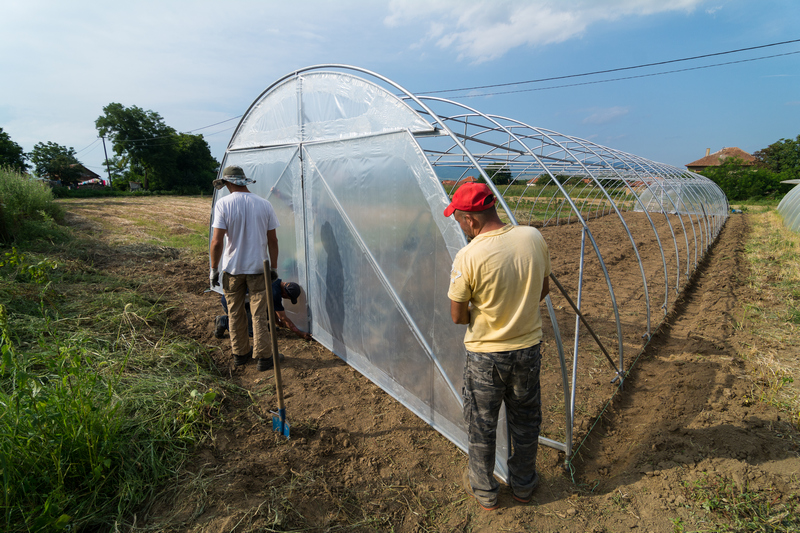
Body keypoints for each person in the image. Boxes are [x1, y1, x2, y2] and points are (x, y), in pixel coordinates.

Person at [444, 182, 551, 511]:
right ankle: (523, 485)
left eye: (460, 221)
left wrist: (488, 310)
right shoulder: (532, 237)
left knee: (481, 424)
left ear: (471, 221)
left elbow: (458, 316)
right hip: (528, 351)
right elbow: (542, 290)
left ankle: (486, 491)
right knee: (526, 420)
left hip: (486, 357)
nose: (461, 228)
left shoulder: (469, 255)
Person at [209, 165, 280, 371]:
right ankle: (264, 358)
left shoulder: (223, 205)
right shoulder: (264, 204)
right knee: (259, 313)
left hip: (232, 268)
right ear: (243, 181)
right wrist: (274, 266)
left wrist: (214, 269)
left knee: (235, 311)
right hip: (259, 267)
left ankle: (240, 354)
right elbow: (273, 240)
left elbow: (216, 241)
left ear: (229, 183)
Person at [214, 280, 311, 343]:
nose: (285, 298)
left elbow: (273, 310)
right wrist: (300, 333)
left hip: (247, 302)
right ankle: (223, 321)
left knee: (265, 313)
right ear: (285, 293)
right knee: (252, 331)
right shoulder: (275, 292)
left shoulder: (276, 281)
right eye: (288, 297)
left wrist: (277, 324)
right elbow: (283, 318)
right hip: (232, 303)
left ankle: (255, 323)